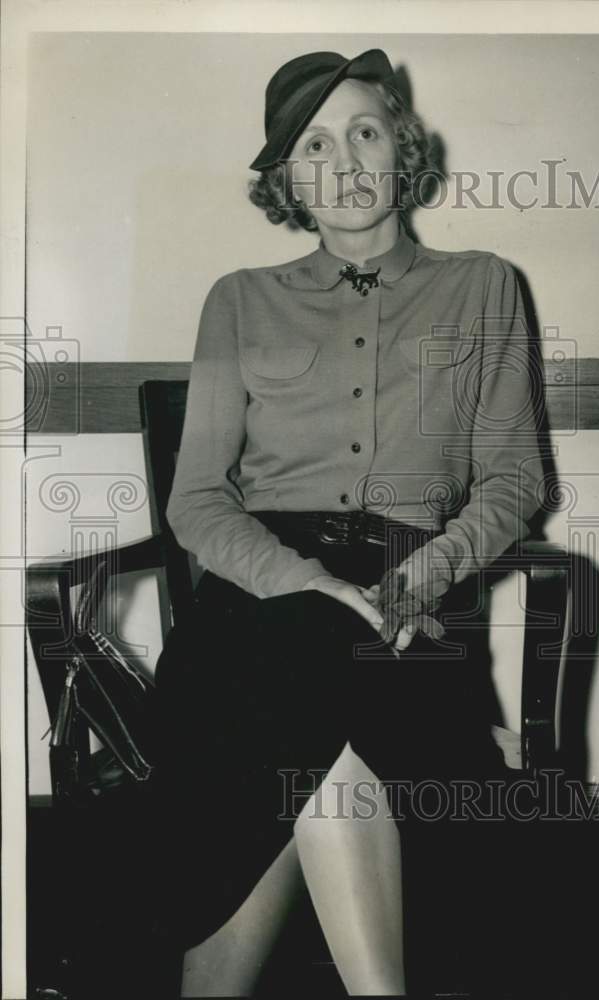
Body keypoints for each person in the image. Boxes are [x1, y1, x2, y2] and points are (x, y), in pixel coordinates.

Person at [148, 48, 544, 997]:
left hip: (413, 584)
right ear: (289, 180)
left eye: (364, 132)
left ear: (400, 148)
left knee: (309, 712)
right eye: (313, 146)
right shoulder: (237, 301)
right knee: (314, 668)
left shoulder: (485, 284)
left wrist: (423, 578)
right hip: (264, 589)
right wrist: (313, 585)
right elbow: (197, 497)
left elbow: (513, 477)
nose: (345, 162)